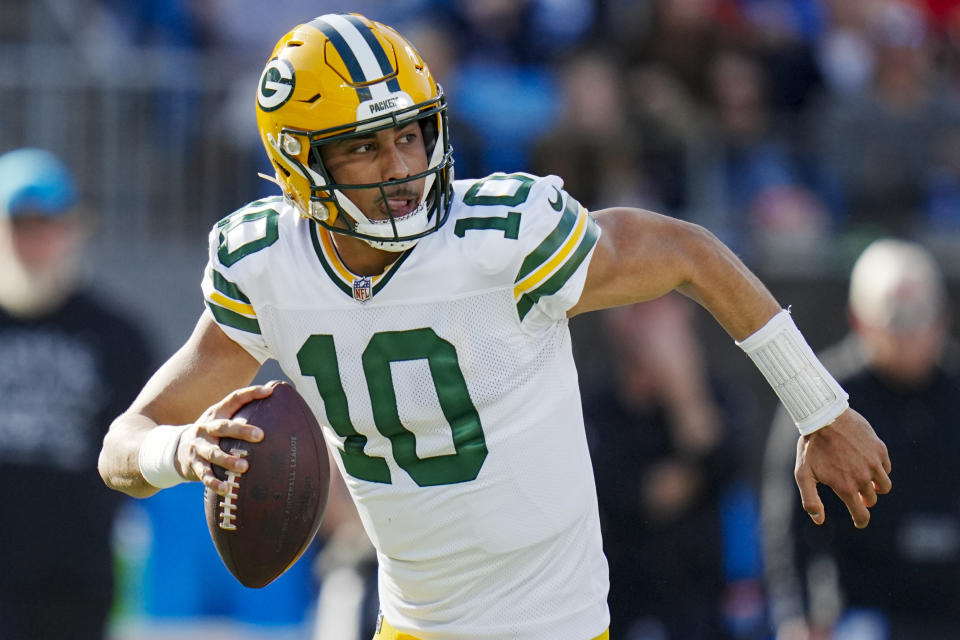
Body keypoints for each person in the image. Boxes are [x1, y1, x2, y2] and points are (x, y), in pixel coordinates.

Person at [97, 14, 891, 640]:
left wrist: (819, 405)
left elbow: (686, 250)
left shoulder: (499, 239)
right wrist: (182, 450)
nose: (401, 165)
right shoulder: (269, 266)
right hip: (412, 625)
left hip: (557, 627)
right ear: (303, 166)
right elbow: (123, 445)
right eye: (364, 149)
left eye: (408, 133)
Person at [762, 238, 960, 640]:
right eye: (895, 317)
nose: (909, 332)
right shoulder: (824, 402)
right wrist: (796, 615)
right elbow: (788, 522)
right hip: (861, 610)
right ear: (861, 319)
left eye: (920, 315)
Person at [0, 148, 153, 639]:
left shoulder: (117, 338)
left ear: (73, 229)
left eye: (48, 223)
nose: (35, 240)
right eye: (20, 224)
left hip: (76, 577)